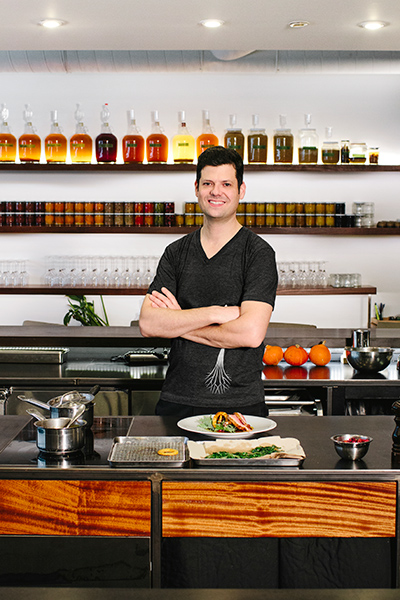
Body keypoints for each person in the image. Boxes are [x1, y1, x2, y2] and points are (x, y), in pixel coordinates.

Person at [139, 146, 278, 417]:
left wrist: (179, 323)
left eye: (226, 183)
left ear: (241, 190)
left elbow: (250, 334)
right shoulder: (176, 253)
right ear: (196, 188)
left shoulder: (258, 253)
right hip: (176, 400)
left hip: (240, 405)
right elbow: (149, 323)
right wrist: (216, 313)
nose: (216, 191)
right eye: (208, 183)